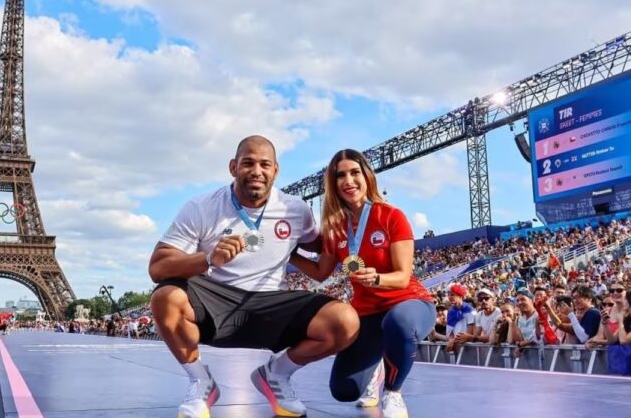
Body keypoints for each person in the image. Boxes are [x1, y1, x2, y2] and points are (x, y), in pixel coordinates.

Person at [148, 136, 359, 418]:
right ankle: (201, 381)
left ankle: (276, 374)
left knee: (345, 320)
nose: (256, 171)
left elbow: (326, 246)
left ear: (276, 171)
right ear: (233, 167)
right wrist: (208, 258)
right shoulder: (201, 207)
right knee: (166, 297)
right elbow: (157, 268)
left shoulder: (295, 209)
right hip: (216, 300)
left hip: (271, 304)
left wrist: (356, 218)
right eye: (248, 163)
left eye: (264, 164)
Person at [292, 149, 435, 418]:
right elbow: (321, 272)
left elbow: (403, 276)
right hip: (367, 315)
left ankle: (393, 393)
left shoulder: (391, 216)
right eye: (340, 176)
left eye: (354, 173)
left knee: (398, 323)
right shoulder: (335, 229)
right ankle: (377, 369)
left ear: (367, 176)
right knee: (343, 391)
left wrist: (377, 278)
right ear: (333, 185)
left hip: (408, 303)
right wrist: (291, 254)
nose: (349, 181)